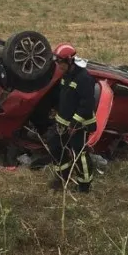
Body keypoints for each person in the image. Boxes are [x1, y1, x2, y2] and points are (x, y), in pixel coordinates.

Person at [47, 44, 97, 193]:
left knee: (80, 154)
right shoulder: (66, 75)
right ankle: (63, 176)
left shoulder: (84, 79)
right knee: (55, 146)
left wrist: (75, 124)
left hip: (80, 124)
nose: (58, 66)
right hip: (63, 122)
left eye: (60, 63)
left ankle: (84, 185)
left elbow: (87, 105)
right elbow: (64, 97)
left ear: (69, 61)